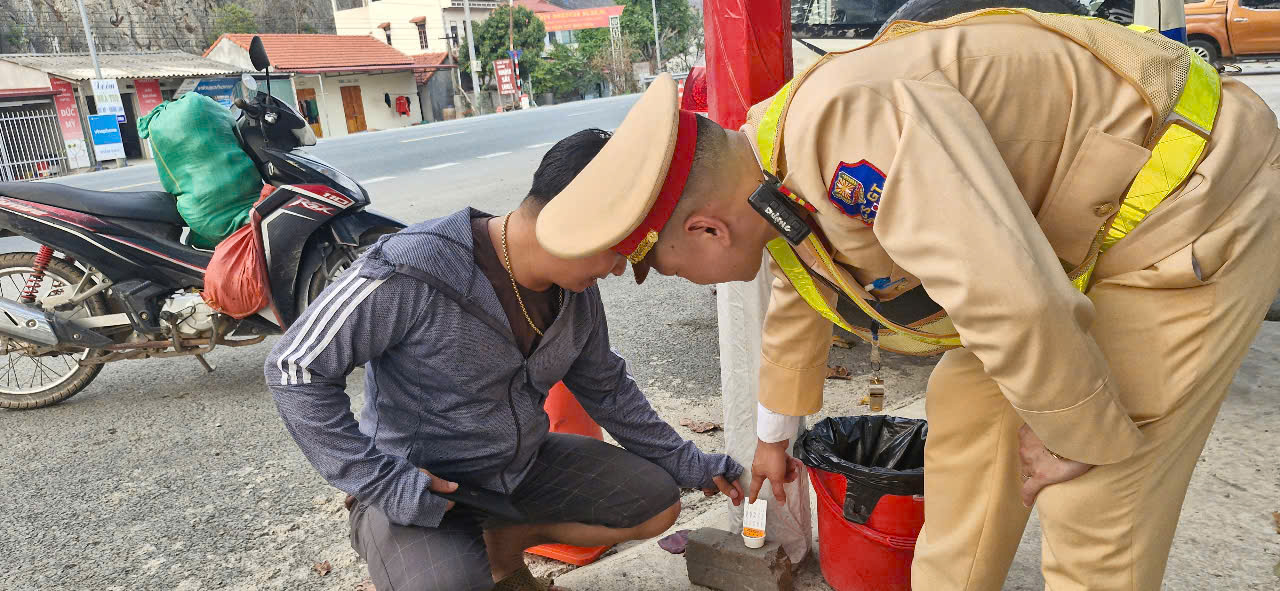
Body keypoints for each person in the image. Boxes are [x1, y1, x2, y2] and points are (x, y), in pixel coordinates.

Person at [533, 9, 1280, 590]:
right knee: (966, 423)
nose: (681, 280)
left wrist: (1075, 433)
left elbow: (1011, 299)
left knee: (1094, 496)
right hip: (1074, 245)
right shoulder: (764, 156)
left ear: (702, 226)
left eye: (665, 266)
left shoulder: (847, 128)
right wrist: (773, 435)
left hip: (1190, 197)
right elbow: (811, 277)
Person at [265, 129, 744, 591]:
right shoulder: (413, 266)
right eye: (617, 250)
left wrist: (691, 463)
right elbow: (293, 367)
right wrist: (382, 480)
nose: (620, 268)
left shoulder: (577, 294)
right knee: (446, 585)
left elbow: (607, 387)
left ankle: (504, 543)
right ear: (575, 223)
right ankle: (427, 549)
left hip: (518, 466)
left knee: (655, 504)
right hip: (418, 483)